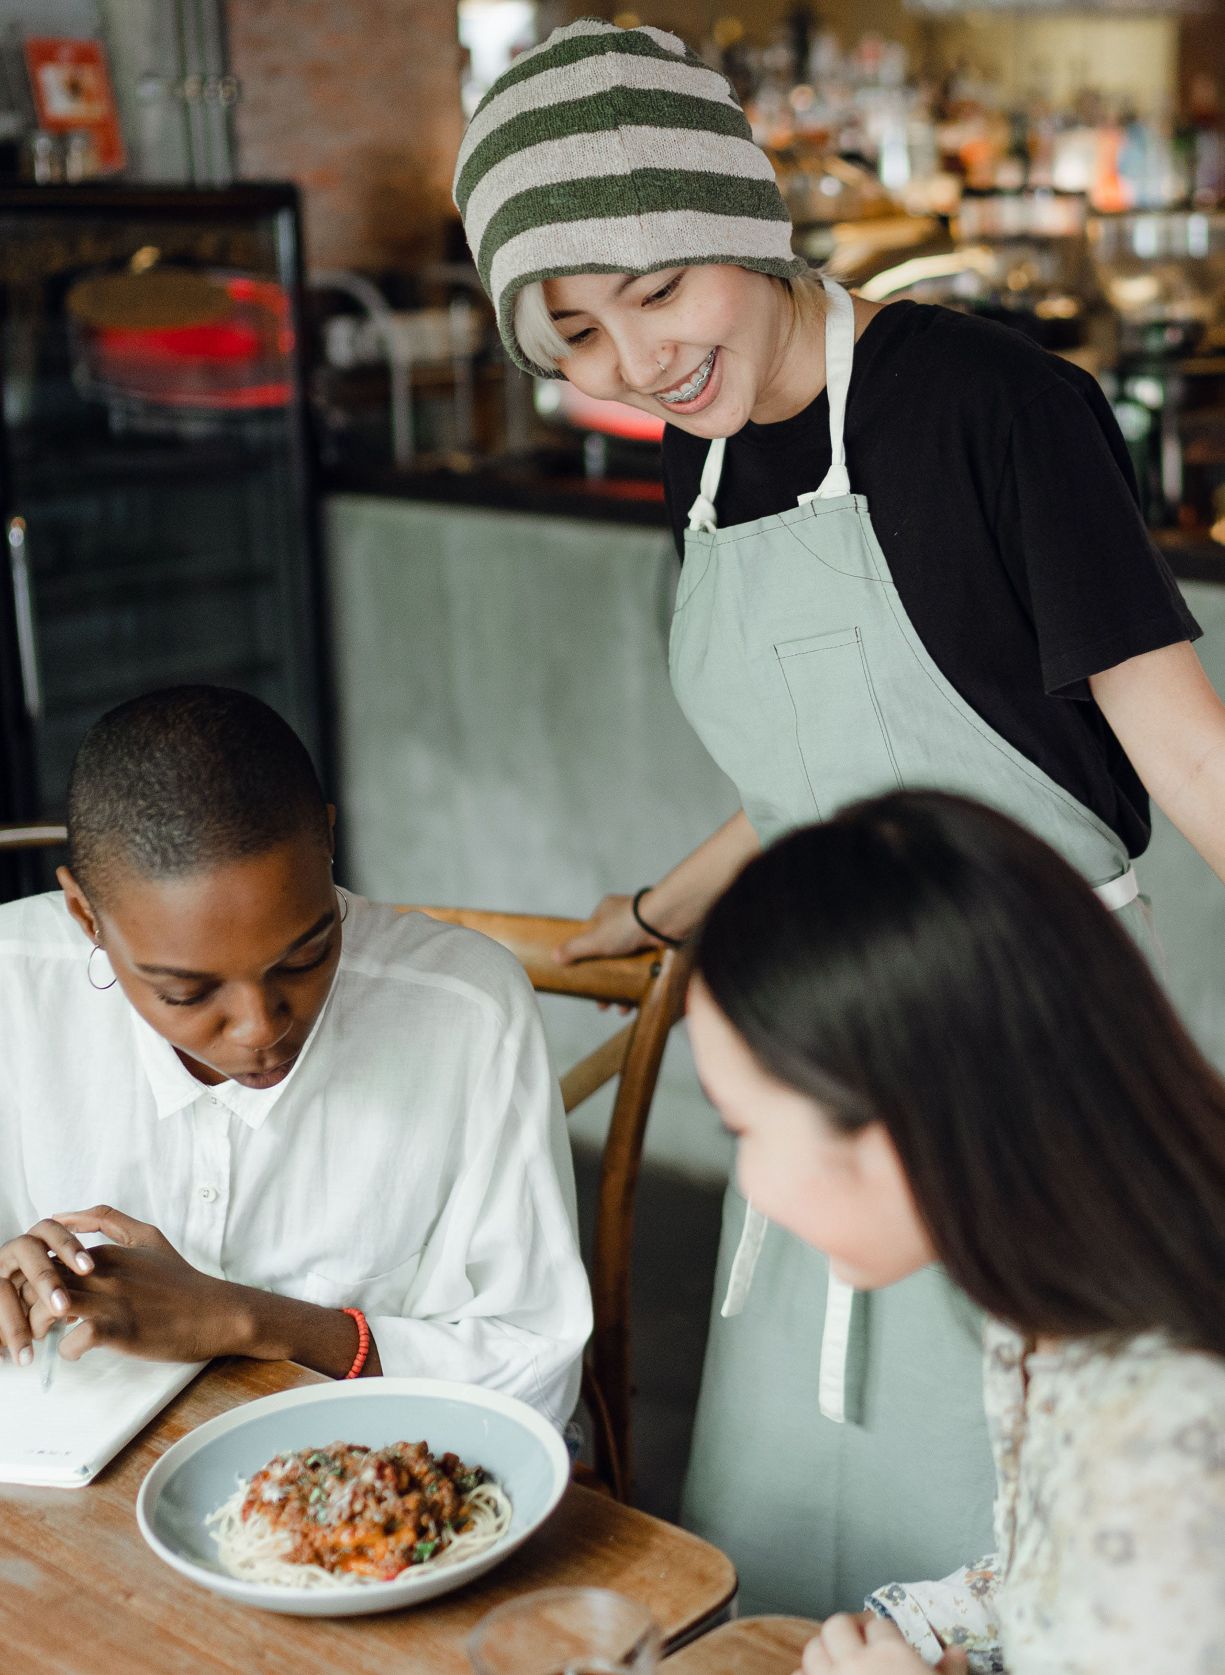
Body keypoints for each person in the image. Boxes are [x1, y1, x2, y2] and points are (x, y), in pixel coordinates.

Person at [452, 17, 1225, 1614]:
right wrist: (655, 911)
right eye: (577, 332)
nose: (640, 362)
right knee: (791, 1541)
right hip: (814, 1079)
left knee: (1057, 1531)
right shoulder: (699, 459)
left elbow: (1191, 756)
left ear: (748, 225)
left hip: (1026, 1071)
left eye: (662, 288)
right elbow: (802, 780)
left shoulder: (997, 407)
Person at [687, 789, 1225, 1675]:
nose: (748, 1180)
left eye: (742, 1126)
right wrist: (916, 1630)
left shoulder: (1170, 1442)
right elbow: (1056, 1581)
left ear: (902, 1123)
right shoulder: (1064, 1283)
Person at [0, 686, 590, 1422]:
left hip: (368, 1459)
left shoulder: (466, 1011)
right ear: (86, 916)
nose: (259, 1028)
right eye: (186, 992)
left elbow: (536, 1365)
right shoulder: (12, 982)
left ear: (329, 842)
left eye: (306, 955)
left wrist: (248, 1320)